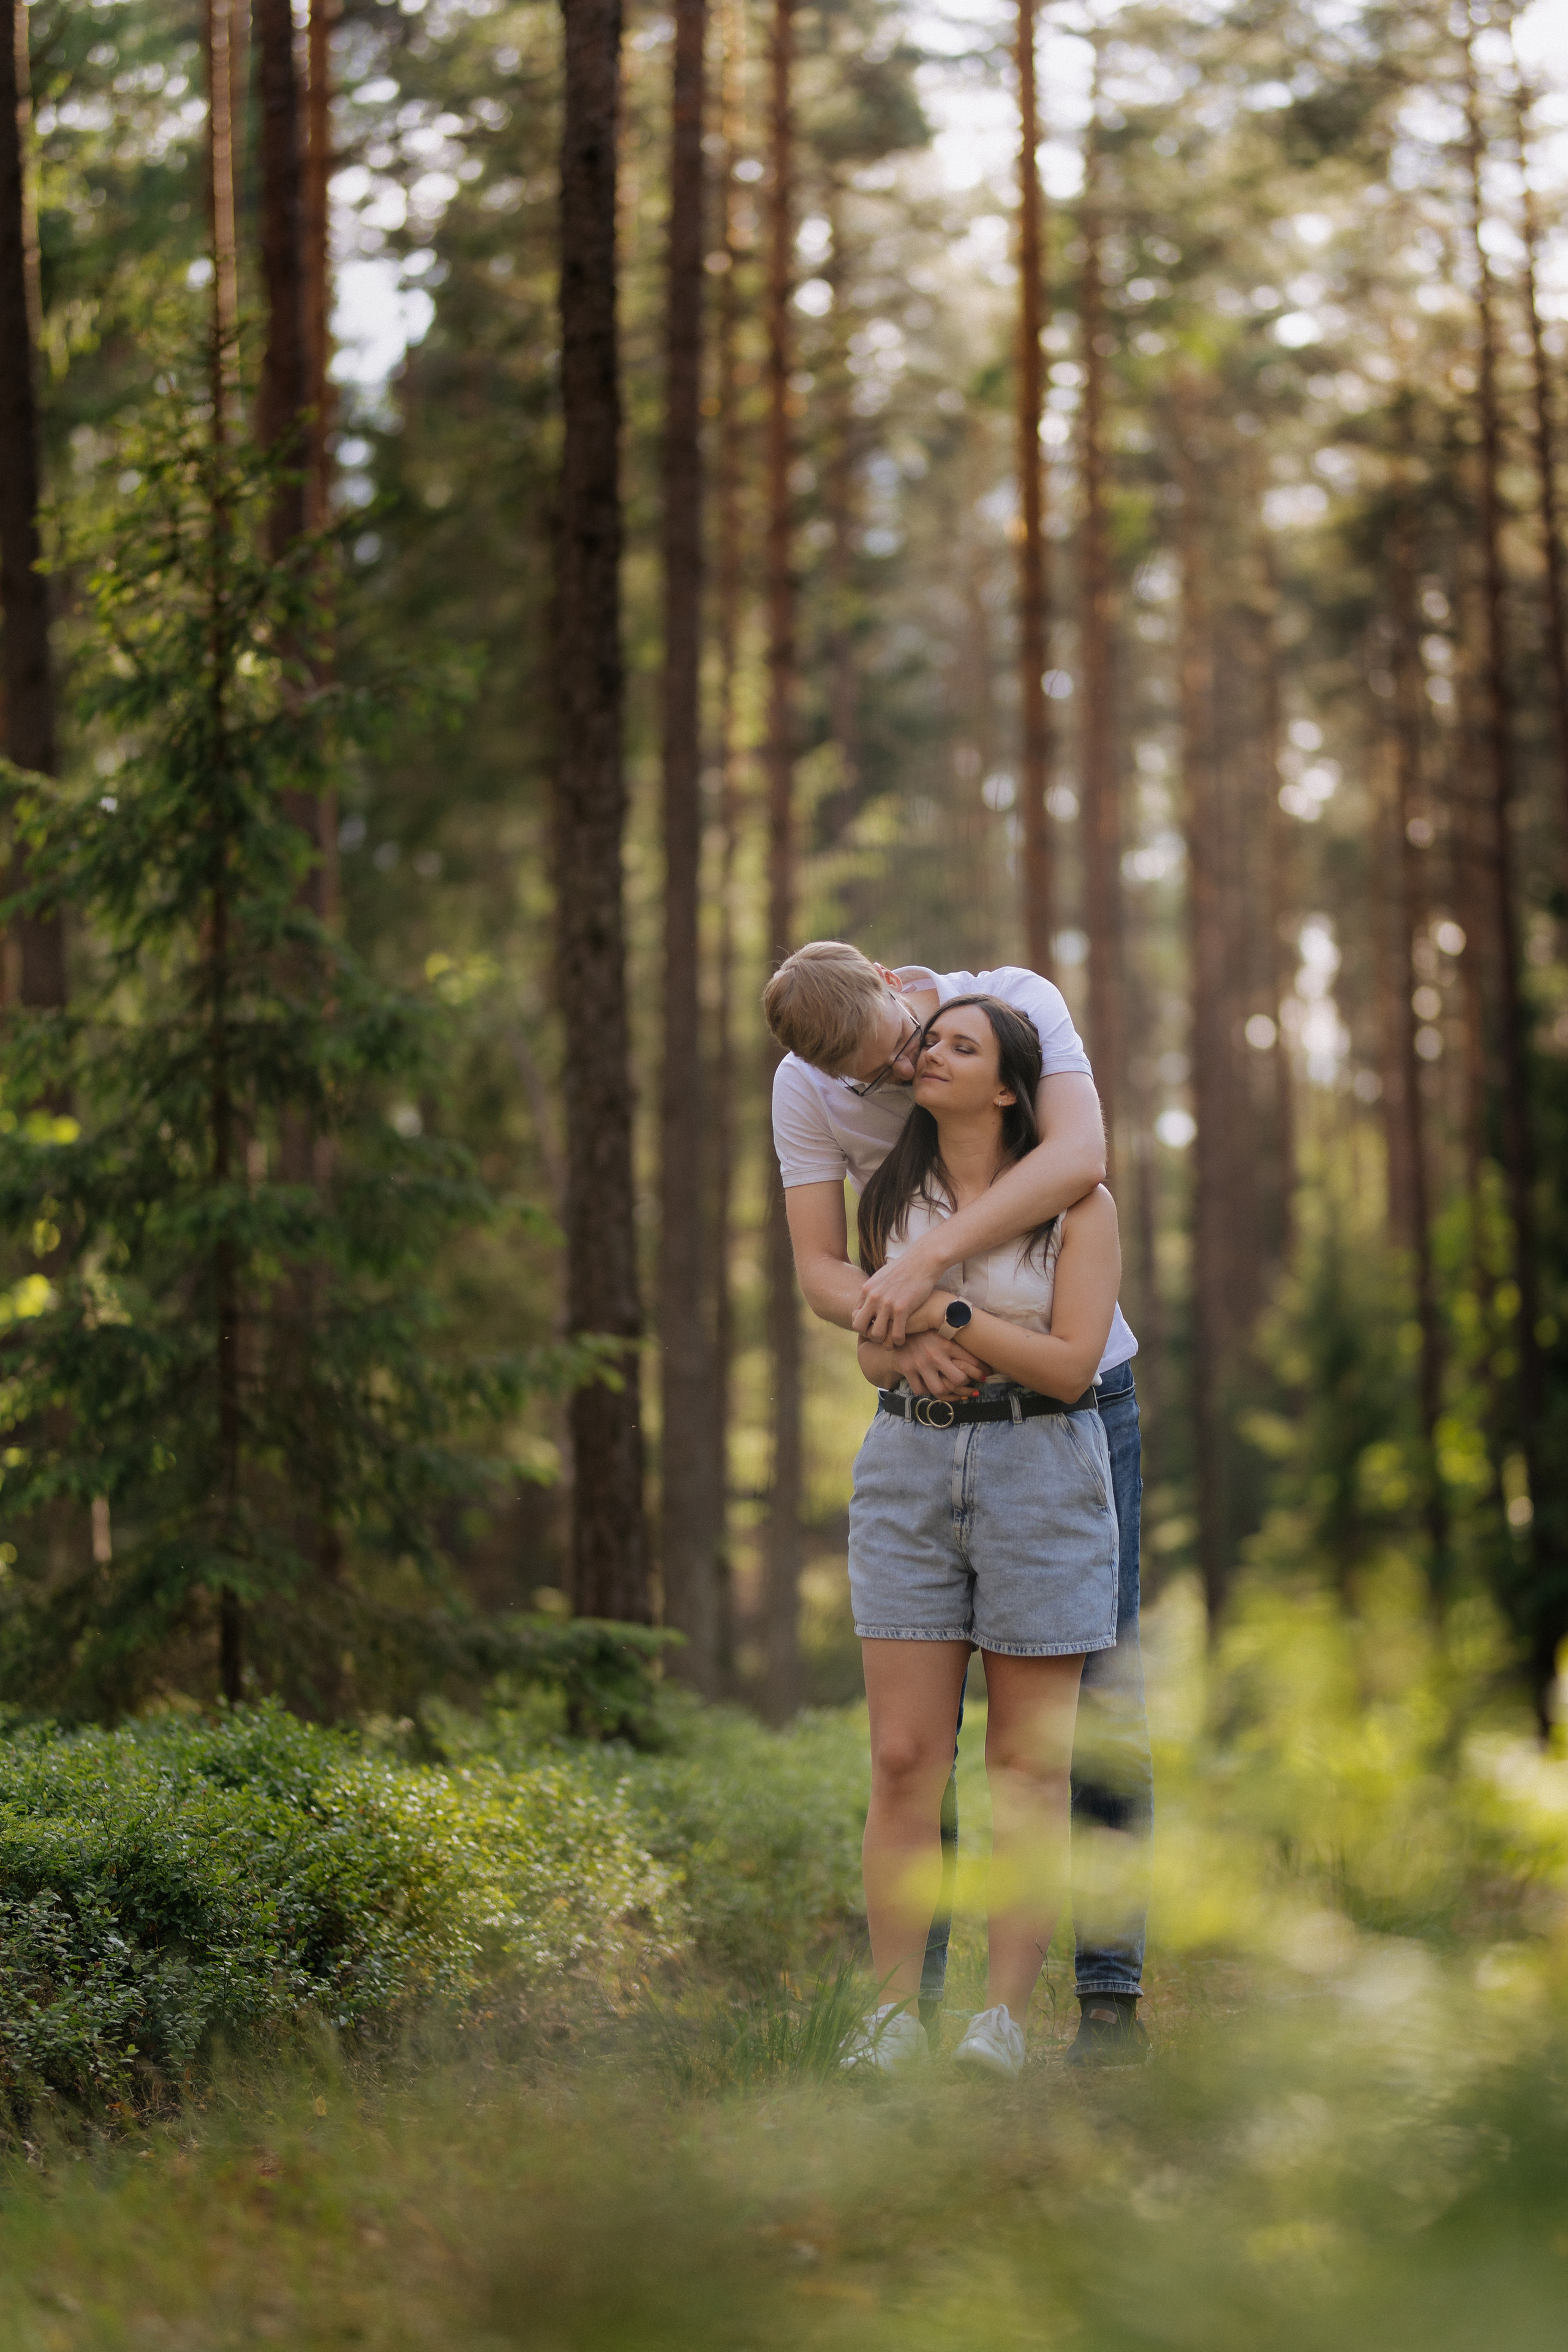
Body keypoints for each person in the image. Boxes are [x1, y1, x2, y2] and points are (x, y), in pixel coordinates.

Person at [765, 940, 1150, 2066]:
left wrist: (931, 1283)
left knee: (1096, 1719)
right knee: (908, 1753)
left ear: (898, 983)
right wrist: (911, 1327)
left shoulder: (1016, 1003)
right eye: (868, 1076)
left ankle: (1103, 2002)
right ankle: (903, 2015)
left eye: (913, 1048)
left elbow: (1079, 1157)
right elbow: (828, 1278)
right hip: (926, 1430)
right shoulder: (818, 1094)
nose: (900, 1074)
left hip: (1065, 1423)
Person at [839, 995, 1121, 2075]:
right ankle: (889, 2018)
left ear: (1010, 1085)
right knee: (905, 1757)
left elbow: (1070, 1366)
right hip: (908, 1470)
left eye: (962, 1045)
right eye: (930, 1041)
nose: (930, 1054)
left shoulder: (1080, 1206)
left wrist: (948, 1314)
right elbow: (868, 1351)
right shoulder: (891, 1197)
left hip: (1041, 1472)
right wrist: (899, 1349)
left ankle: (999, 2022)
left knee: (1025, 1768)